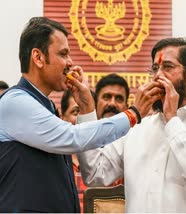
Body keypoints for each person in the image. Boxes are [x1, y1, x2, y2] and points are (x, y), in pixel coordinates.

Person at [0, 16, 162, 212]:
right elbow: (74, 137)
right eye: (63, 54)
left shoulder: (45, 105)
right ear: (38, 58)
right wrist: (133, 113)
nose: (70, 63)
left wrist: (86, 105)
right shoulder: (15, 102)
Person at [77, 37, 186, 212]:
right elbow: (96, 173)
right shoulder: (136, 128)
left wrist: (172, 119)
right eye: (155, 68)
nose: (158, 76)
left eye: (168, 67)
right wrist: (86, 108)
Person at [60, 89, 85, 213]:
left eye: (86, 113)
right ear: (62, 118)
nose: (81, 120)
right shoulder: (52, 164)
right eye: (76, 112)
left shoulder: (108, 162)